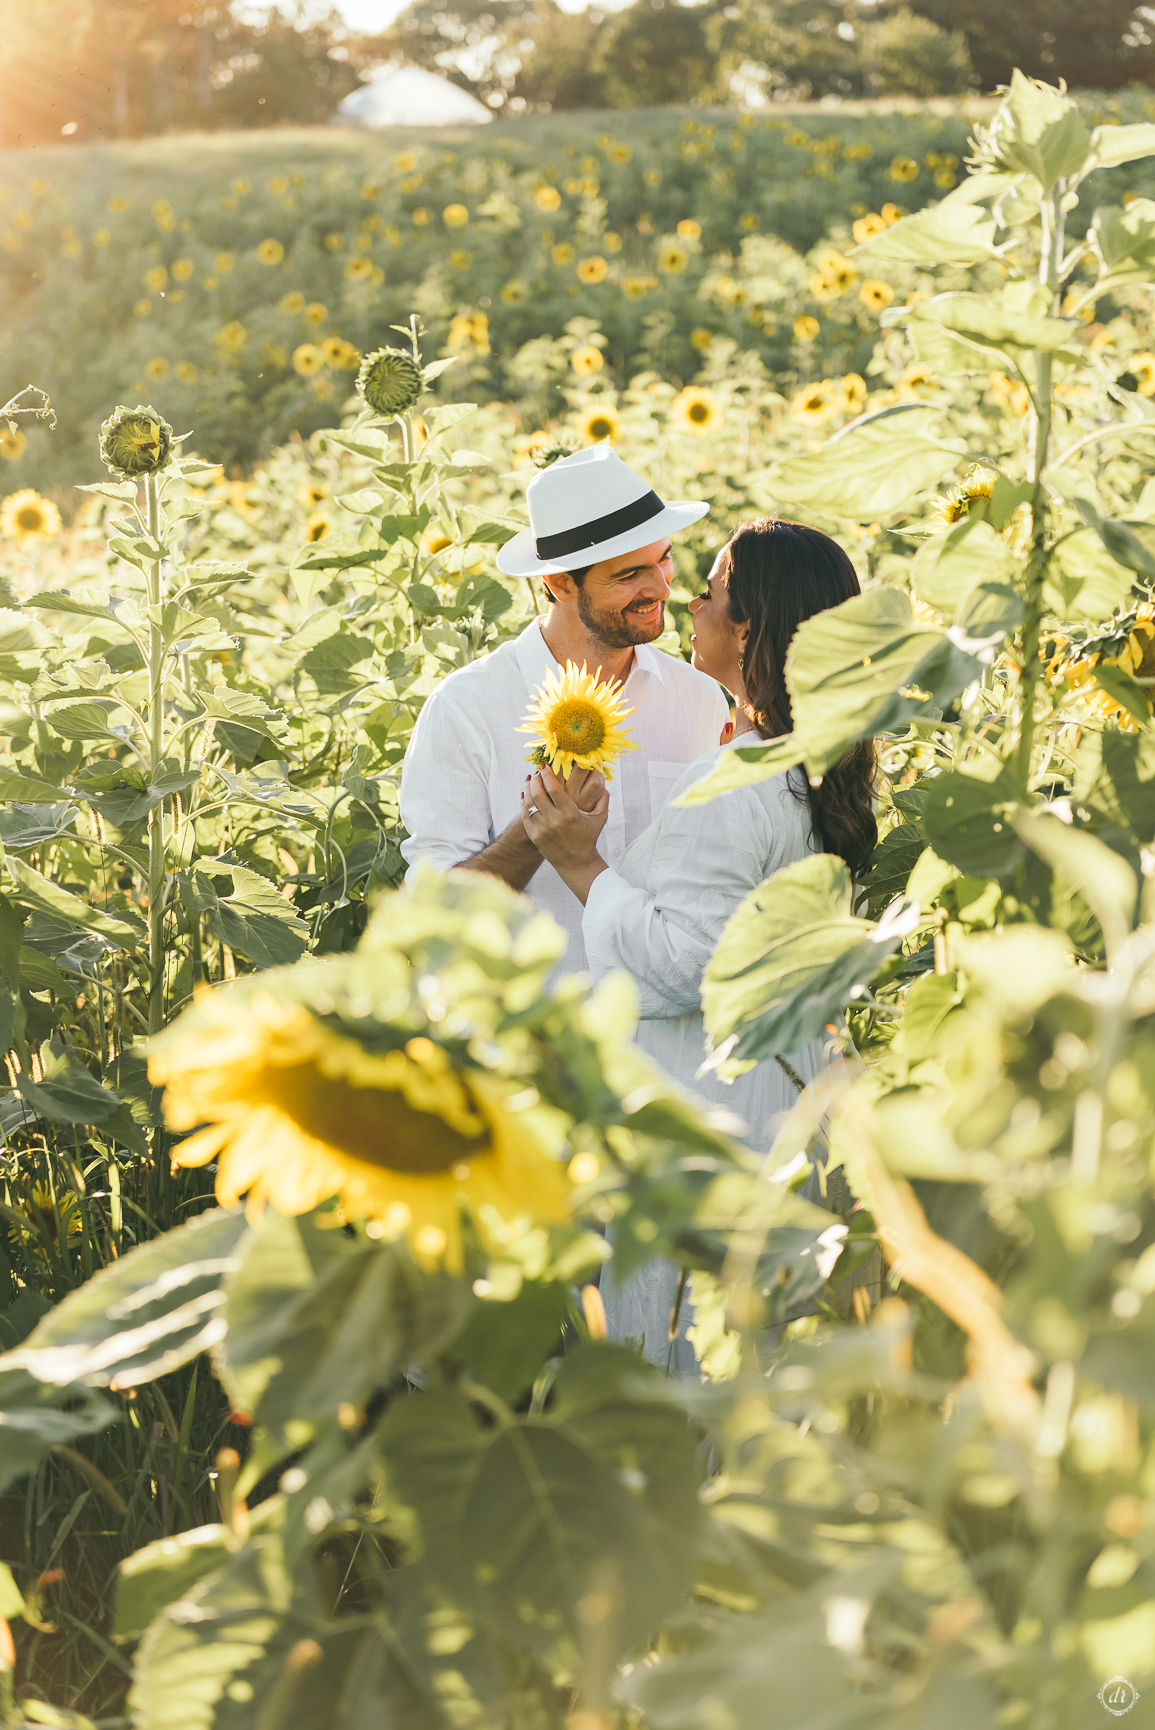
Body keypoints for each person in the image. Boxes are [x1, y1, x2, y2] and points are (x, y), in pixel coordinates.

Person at [522, 518, 879, 1369]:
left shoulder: (734, 783)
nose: (691, 601)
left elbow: (687, 967)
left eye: (710, 591)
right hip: (778, 1108)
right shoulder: (815, 765)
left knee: (679, 1371)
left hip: (702, 1124)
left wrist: (581, 865)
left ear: (749, 628)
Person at [399, 444, 728, 972]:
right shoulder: (467, 708)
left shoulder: (698, 700)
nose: (662, 587)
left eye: (663, 559)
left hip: (673, 1038)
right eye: (628, 576)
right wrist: (532, 835)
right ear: (558, 583)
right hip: (540, 1033)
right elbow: (434, 915)